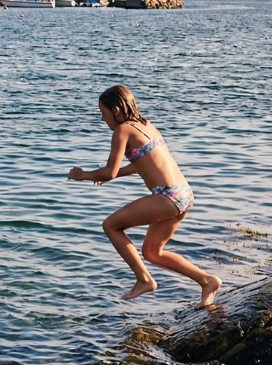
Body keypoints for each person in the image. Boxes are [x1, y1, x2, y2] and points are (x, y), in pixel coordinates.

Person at [68, 85, 222, 308]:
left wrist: (82, 175)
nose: (102, 119)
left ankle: (144, 280)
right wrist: (112, 174)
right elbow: (140, 163)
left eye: (103, 113)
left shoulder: (122, 131)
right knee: (152, 252)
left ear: (117, 110)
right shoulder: (146, 125)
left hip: (167, 196)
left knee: (111, 225)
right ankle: (207, 281)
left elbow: (109, 172)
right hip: (184, 193)